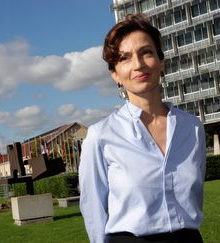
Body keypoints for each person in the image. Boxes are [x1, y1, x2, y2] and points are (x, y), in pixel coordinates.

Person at [79, 13, 207, 243]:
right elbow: (93, 209)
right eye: (125, 58)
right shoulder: (100, 136)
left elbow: (195, 197)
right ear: (115, 74)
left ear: (161, 62)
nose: (138, 65)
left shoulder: (192, 127)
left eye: (146, 52)